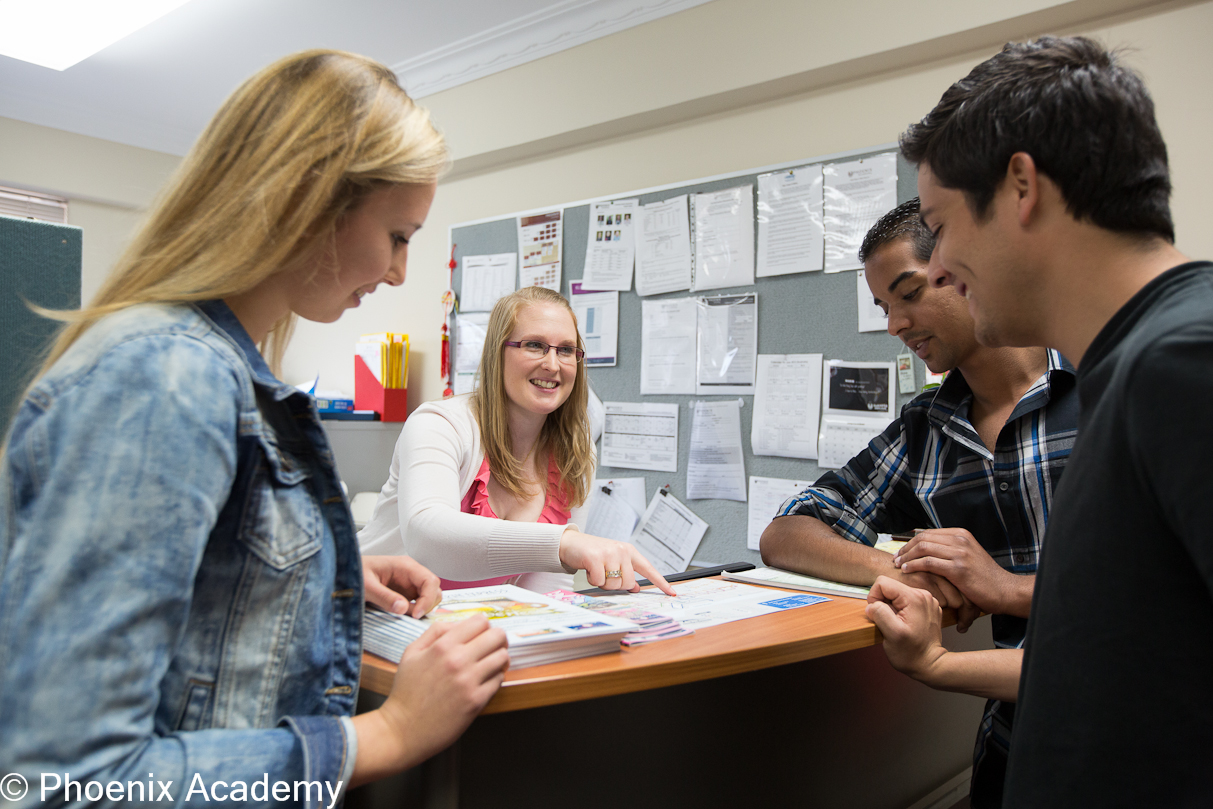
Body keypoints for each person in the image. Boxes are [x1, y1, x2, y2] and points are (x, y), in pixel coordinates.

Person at [0, 50, 511, 807]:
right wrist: (387, 735)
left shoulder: (220, 370)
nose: (401, 272)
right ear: (310, 203)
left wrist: (313, 579)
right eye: (399, 236)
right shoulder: (165, 376)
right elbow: (66, 779)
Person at [878, 35, 1213, 806]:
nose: (936, 270)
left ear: (1021, 185)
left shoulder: (1183, 361)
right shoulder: (1127, 366)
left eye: (942, 225)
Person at [759, 198, 1077, 807]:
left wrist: (1005, 587)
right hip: (1014, 749)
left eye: (908, 294)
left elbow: (1161, 589)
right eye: (884, 307)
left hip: (1140, 738)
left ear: (963, 270)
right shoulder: (926, 429)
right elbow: (788, 531)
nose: (895, 325)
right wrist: (912, 574)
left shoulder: (1103, 384)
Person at [359, 286, 676, 596]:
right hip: (375, 616)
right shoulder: (439, 425)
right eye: (535, 345)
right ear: (498, 352)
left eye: (565, 350)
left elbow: (545, 591)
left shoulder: (577, 455)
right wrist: (565, 543)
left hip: (467, 630)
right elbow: (428, 537)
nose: (552, 364)